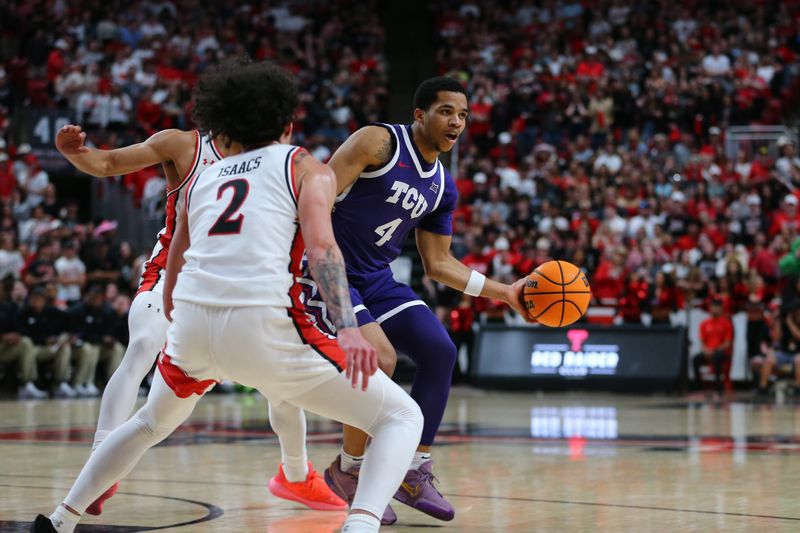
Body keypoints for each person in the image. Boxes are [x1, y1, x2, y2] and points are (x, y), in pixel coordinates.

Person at [31, 60, 422, 533]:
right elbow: (322, 250)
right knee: (401, 415)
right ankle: (358, 525)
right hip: (264, 328)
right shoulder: (303, 165)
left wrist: (174, 305)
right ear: (287, 123)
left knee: (150, 422)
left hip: (193, 326)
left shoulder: (205, 176)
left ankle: (58, 521)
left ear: (224, 126)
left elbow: (178, 246)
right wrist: (348, 328)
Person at [54, 90, 343, 511]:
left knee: (281, 386)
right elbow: (109, 163)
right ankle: (101, 463)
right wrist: (75, 154)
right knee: (142, 347)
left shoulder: (280, 157)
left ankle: (295, 474)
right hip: (170, 275)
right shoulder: (182, 144)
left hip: (235, 283)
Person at [290, 76, 529, 523]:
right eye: (445, 111)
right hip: (328, 269)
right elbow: (315, 197)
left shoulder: (442, 186)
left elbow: (438, 264)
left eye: (462, 114)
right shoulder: (378, 142)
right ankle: (350, 470)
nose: (455, 121)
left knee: (440, 351)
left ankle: (412, 470)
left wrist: (507, 293)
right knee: (380, 358)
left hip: (377, 277)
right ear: (419, 115)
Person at [692, 298, 733, 392]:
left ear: (721, 309)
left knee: (718, 357)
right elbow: (702, 341)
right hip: (708, 350)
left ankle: (718, 386)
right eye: (713, 307)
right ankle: (698, 386)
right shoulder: (704, 324)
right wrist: (706, 350)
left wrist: (716, 350)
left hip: (720, 351)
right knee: (695, 359)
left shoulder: (726, 323)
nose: (715, 309)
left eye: (717, 307)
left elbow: (727, 342)